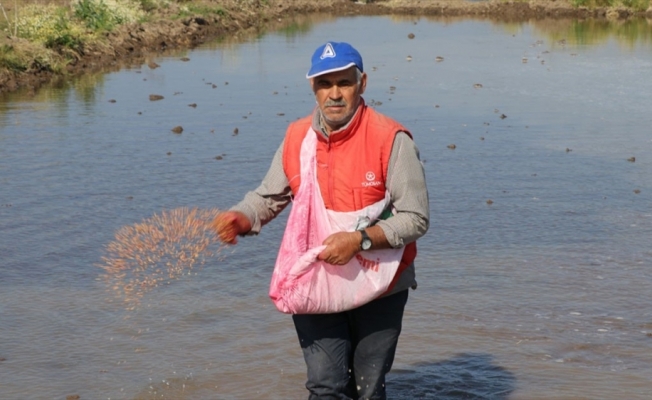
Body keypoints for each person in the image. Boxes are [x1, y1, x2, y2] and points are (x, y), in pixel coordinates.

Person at [214, 41, 429, 400]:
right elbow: (269, 196)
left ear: (363, 83)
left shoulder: (391, 139)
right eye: (324, 84)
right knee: (325, 385)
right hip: (316, 280)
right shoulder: (298, 137)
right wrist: (241, 218)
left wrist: (358, 241)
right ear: (312, 87)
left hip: (384, 284)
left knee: (368, 386)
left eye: (344, 83)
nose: (334, 94)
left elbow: (416, 218)